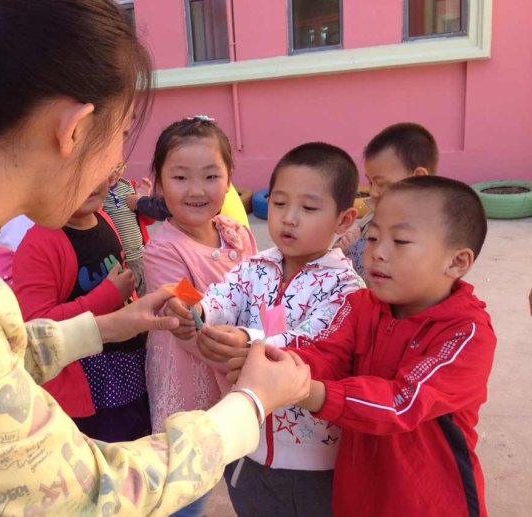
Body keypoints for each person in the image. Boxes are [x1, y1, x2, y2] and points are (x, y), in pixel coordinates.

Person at [0, 1, 312, 515]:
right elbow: (89, 495)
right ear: (73, 129)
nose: (116, 164)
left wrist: (109, 324)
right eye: (122, 132)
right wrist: (251, 403)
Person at [230, 176, 496, 516]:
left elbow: (404, 402)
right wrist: (275, 361)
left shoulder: (466, 333)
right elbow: (327, 353)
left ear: (457, 262)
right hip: (358, 490)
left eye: (400, 241)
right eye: (372, 237)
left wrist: (304, 390)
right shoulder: (361, 306)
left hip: (430, 500)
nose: (377, 253)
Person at [168, 143, 364, 516]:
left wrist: (248, 339)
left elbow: (311, 340)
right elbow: (223, 296)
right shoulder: (255, 265)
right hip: (248, 445)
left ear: (343, 220)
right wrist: (197, 309)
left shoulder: (348, 289)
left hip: (312, 460)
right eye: (278, 203)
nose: (289, 218)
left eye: (308, 208)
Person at [142, 116, 258, 516]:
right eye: (180, 178)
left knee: (236, 459)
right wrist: (246, 361)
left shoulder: (237, 234)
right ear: (158, 182)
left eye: (211, 176)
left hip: (236, 363)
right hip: (191, 374)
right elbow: (187, 326)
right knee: (188, 477)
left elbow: (258, 293)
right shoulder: (163, 251)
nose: (196, 190)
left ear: (229, 180)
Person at [14, 179, 150, 441]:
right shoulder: (38, 245)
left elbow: (121, 283)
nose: (88, 182)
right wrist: (107, 297)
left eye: (95, 169)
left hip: (130, 365)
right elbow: (37, 329)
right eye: (73, 174)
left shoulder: (103, 218)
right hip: (89, 383)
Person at [335, 122, 438, 277]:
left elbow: (389, 275)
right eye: (370, 182)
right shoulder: (379, 209)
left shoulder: (425, 227)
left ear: (418, 178)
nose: (373, 192)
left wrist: (353, 249)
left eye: (382, 184)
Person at [103, 164, 163, 297]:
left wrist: (143, 199)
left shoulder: (129, 186)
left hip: (140, 253)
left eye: (118, 168)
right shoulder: (98, 192)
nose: (113, 174)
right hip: (121, 258)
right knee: (129, 295)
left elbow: (148, 220)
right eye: (109, 169)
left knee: (147, 289)